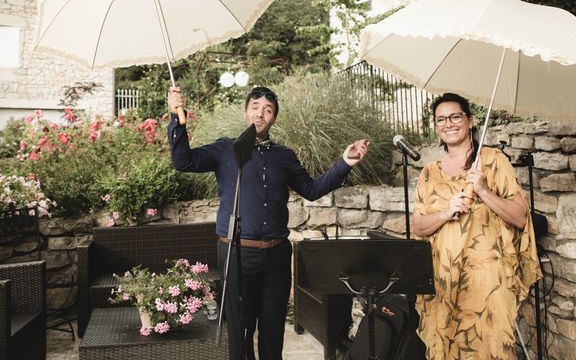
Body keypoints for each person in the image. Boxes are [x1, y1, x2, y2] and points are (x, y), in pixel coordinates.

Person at [167, 85, 369, 360]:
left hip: (276, 253)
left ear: (273, 118)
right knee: (240, 331)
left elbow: (310, 190)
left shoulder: (283, 155)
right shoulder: (225, 149)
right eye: (255, 107)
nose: (260, 114)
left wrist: (345, 162)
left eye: (268, 110)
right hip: (237, 252)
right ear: (245, 112)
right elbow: (183, 161)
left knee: (273, 331)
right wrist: (176, 119)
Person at [410, 92, 541, 360]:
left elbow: (519, 216)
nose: (448, 124)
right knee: (447, 345)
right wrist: (446, 212)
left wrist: (483, 190)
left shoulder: (493, 161)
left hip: (488, 276)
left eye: (455, 117)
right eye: (441, 119)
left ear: (470, 121)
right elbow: (419, 226)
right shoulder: (429, 172)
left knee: (493, 344)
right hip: (443, 276)